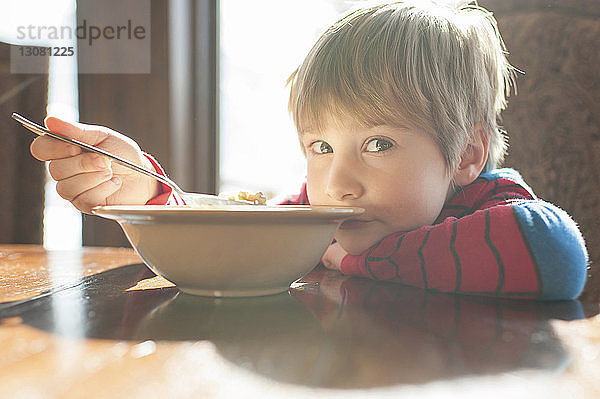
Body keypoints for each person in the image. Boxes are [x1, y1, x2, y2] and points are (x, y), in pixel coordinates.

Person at [30, 1, 587, 300]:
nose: (338, 182)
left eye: (378, 143)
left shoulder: (493, 207)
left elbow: (556, 258)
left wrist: (350, 261)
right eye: (321, 146)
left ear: (465, 155)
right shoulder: (311, 214)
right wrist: (148, 193)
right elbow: (234, 245)